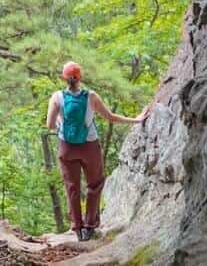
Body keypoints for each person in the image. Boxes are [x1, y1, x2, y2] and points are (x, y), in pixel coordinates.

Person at [46, 61, 151, 242]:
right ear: (80, 77)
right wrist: (136, 120)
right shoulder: (91, 97)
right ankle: (90, 227)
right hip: (89, 147)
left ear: (64, 78)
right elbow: (111, 117)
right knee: (95, 184)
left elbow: (49, 125)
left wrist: (62, 129)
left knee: (72, 188)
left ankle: (77, 229)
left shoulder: (57, 97)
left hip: (67, 148)